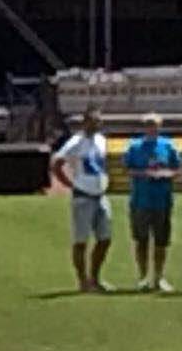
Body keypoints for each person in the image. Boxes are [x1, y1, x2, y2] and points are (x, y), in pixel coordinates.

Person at [51, 107, 112, 292]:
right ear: (85, 122)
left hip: (100, 195)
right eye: (94, 121)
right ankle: (82, 281)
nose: (97, 124)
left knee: (105, 238)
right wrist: (69, 183)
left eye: (99, 121)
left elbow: (102, 164)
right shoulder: (76, 142)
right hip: (83, 196)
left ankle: (95, 277)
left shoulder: (101, 141)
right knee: (81, 241)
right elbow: (57, 162)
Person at [123, 112, 180, 293]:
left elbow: (177, 168)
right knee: (141, 240)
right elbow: (128, 170)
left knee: (161, 241)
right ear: (144, 127)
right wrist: (145, 174)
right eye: (148, 125)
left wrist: (167, 174)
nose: (152, 128)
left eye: (155, 125)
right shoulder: (135, 146)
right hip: (141, 200)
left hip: (162, 200)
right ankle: (143, 277)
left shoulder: (168, 145)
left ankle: (159, 277)